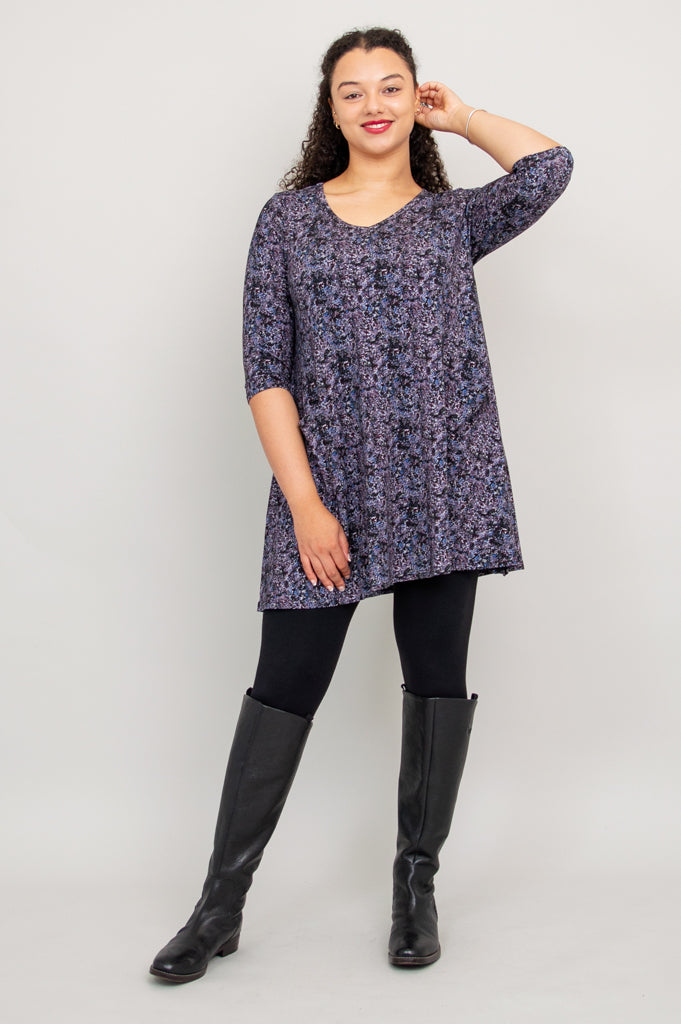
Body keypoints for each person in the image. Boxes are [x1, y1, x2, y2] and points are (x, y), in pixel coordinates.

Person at [149, 25, 574, 983]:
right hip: (328, 490)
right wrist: (305, 504)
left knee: (436, 682)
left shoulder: (451, 220)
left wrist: (462, 118)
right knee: (283, 685)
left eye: (392, 86)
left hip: (444, 487)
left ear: (413, 98)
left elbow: (549, 167)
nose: (373, 104)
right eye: (352, 90)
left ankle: (414, 887)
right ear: (330, 109)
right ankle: (219, 906)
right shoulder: (287, 221)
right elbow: (265, 370)